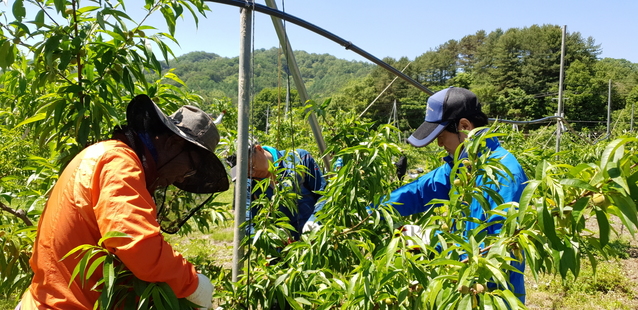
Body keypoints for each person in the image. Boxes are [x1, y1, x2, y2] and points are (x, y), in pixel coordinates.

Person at [18, 95, 229, 310]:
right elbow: (139, 246)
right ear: (173, 142)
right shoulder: (118, 162)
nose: (183, 178)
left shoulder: (107, 155)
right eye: (191, 167)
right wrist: (193, 284)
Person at [384, 87, 528, 303]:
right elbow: (417, 191)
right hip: (461, 290)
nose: (440, 144)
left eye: (441, 136)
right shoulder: (460, 167)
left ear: (464, 126)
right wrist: (372, 212)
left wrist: (430, 242)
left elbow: (499, 249)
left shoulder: (503, 174)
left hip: (490, 298)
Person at [232, 144, 326, 241]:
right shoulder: (250, 185)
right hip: (282, 250)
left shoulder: (298, 159)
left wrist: (315, 220)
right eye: (246, 173)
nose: (252, 174)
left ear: (259, 149)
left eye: (252, 166)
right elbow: (247, 224)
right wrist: (269, 237)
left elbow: (323, 194)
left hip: (315, 240)